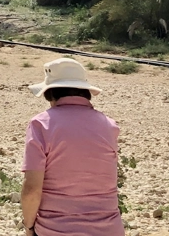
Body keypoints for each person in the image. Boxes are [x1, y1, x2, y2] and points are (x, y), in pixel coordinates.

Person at [20, 58, 123, 236]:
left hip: (55, 230)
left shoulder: (41, 124)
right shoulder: (109, 126)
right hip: (109, 229)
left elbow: (32, 190)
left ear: (49, 94)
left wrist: (29, 227)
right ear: (85, 92)